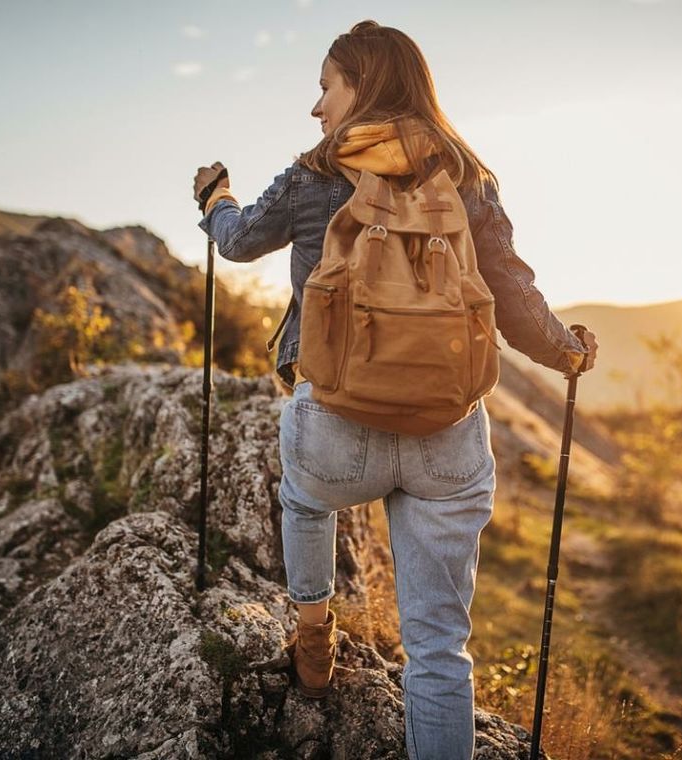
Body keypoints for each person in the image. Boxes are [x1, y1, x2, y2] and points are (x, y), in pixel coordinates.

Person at [192, 20, 598, 759]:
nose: (317, 108)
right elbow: (512, 299)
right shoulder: (468, 177)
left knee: (304, 498)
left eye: (326, 87)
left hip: (335, 428)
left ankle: (313, 634)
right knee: (440, 650)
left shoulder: (317, 172)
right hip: (446, 438)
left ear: (363, 84)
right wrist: (567, 352)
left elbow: (242, 238)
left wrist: (216, 198)